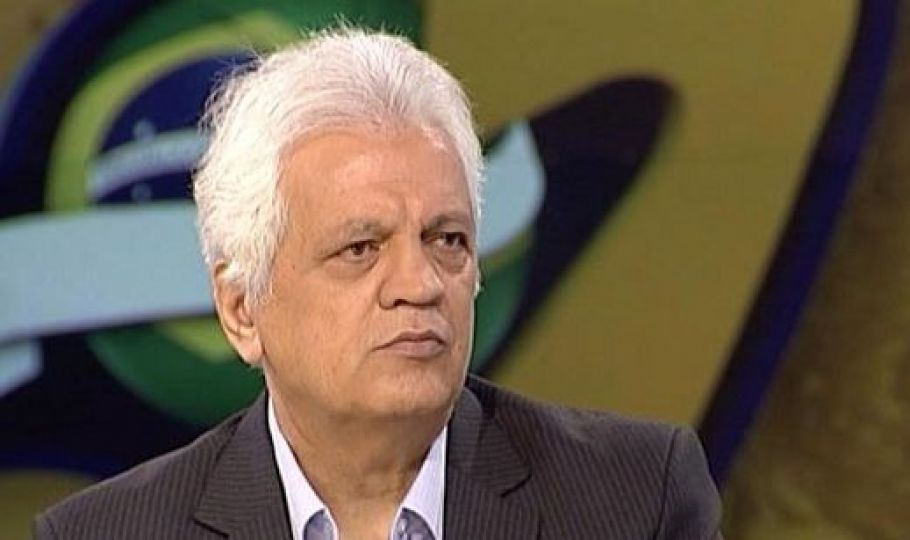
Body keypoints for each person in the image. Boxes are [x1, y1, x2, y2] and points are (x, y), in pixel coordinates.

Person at [35, 26, 722, 539]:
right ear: (242, 308)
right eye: (361, 249)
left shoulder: (636, 500)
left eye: (447, 240)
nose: (420, 285)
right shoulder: (106, 535)